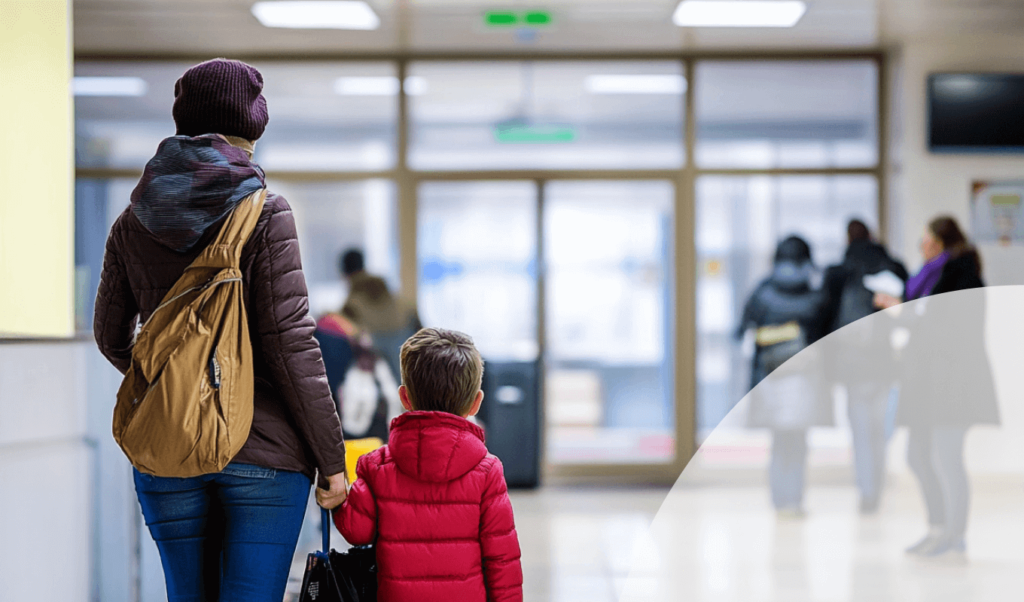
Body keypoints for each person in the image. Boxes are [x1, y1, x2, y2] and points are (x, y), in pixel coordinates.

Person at [93, 59, 349, 602]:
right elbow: (291, 346)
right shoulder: (265, 212)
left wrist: (180, 387)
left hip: (167, 448)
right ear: (252, 127)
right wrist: (332, 459)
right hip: (266, 453)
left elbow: (111, 336)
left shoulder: (131, 221)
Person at [334, 328, 523, 602]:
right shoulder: (487, 471)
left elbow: (357, 530)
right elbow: (502, 560)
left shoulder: (376, 466)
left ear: (404, 398)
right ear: (476, 403)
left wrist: (337, 496)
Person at [874, 215, 999, 558]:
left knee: (946, 457)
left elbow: (948, 328)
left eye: (925, 240)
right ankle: (937, 528)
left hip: (953, 382)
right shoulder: (930, 277)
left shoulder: (963, 276)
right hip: (926, 382)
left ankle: (954, 537)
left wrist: (904, 315)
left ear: (939, 242)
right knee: (918, 456)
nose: (921, 247)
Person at [738, 236, 830, 517]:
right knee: (798, 442)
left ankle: (780, 501)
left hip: (770, 378)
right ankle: (794, 500)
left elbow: (741, 331)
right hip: (803, 378)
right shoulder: (816, 296)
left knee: (779, 442)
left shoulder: (761, 293)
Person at [821, 219, 908, 514]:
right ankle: (877, 485)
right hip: (884, 361)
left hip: (852, 365)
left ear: (847, 239)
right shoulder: (893, 268)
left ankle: (867, 490)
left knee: (860, 430)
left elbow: (825, 319)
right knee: (879, 430)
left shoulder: (838, 274)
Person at [339, 248, 422, 379]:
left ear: (343, 272)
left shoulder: (351, 301)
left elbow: (348, 330)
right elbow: (412, 313)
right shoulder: (380, 284)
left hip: (376, 342)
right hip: (405, 332)